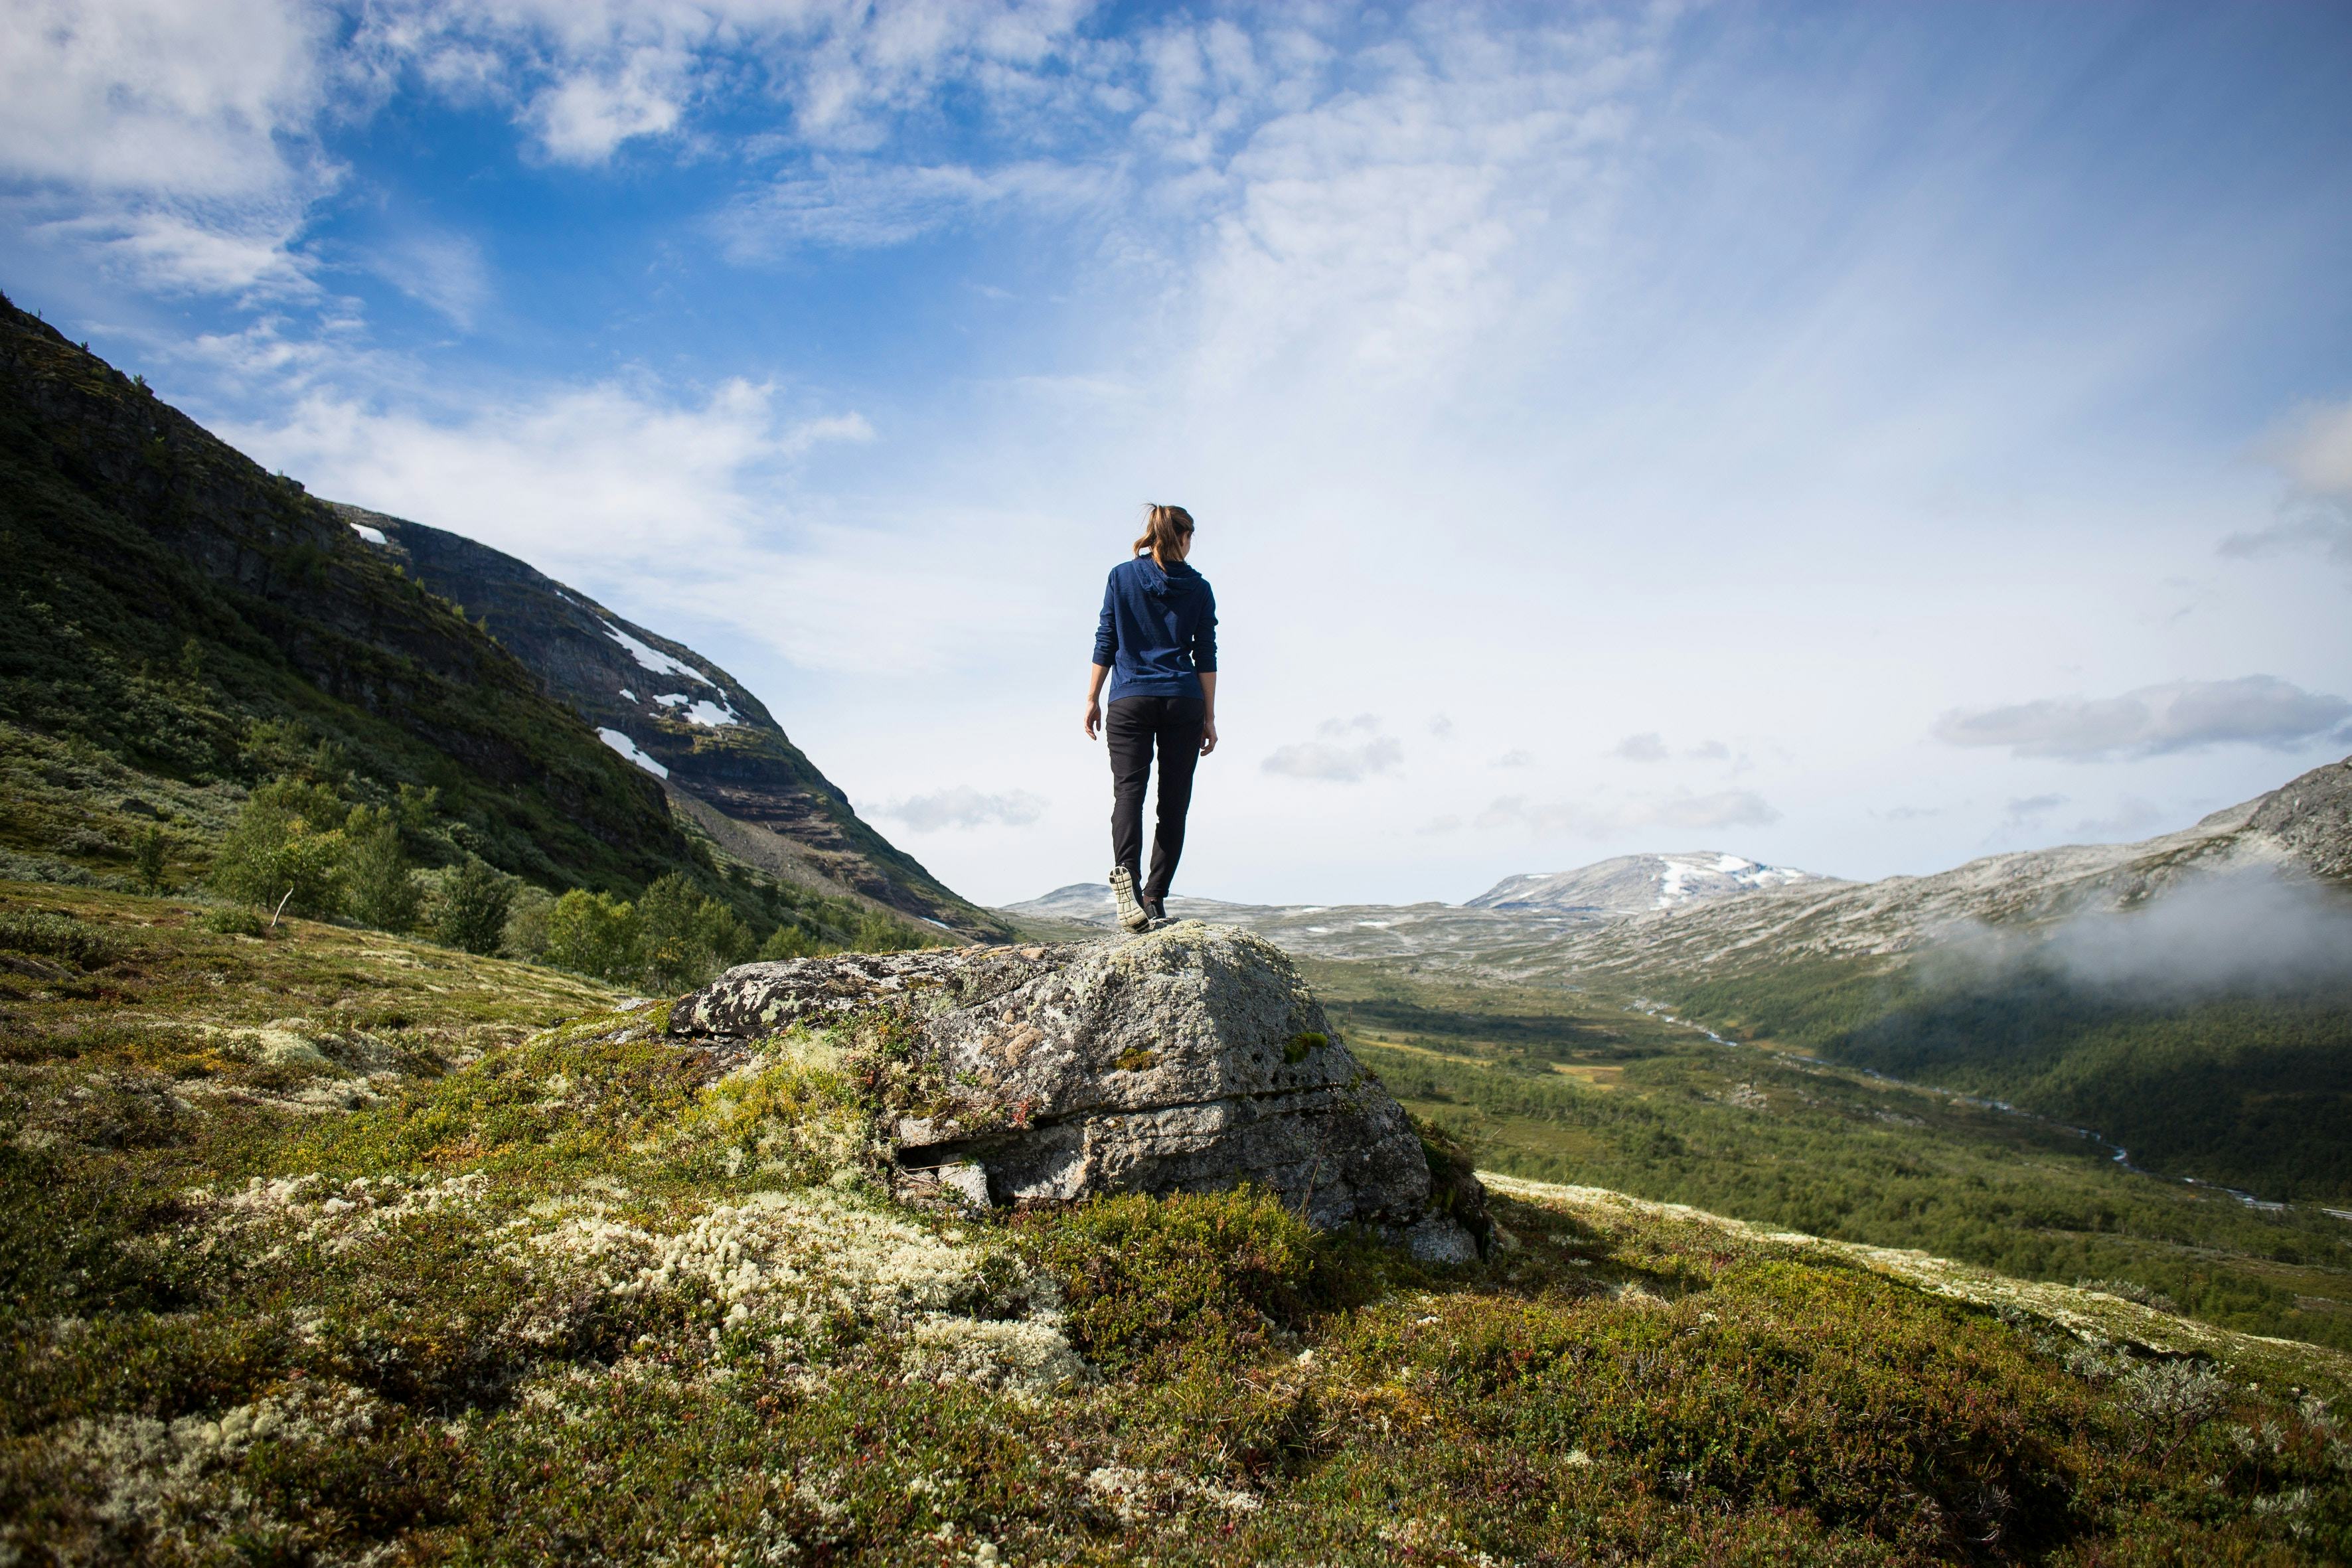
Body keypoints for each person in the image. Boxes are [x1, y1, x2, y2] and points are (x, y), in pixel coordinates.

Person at [1083, 503, 1218, 932]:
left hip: (1128, 699)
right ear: (1182, 537)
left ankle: (1127, 881)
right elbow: (1206, 654)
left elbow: (1106, 638)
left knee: (1128, 794)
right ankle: (1154, 897)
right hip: (1182, 699)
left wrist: (1091, 697)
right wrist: (1210, 716)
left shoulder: (1121, 577)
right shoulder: (1198, 588)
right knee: (1173, 803)